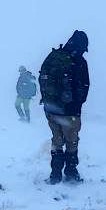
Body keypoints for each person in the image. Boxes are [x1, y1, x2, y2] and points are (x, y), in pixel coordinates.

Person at [39, 30, 90, 184]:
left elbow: (43, 78)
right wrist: (76, 104)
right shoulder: (79, 61)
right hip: (70, 112)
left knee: (57, 140)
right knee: (72, 141)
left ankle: (55, 174)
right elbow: (85, 86)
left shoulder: (54, 56)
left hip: (50, 109)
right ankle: (71, 171)